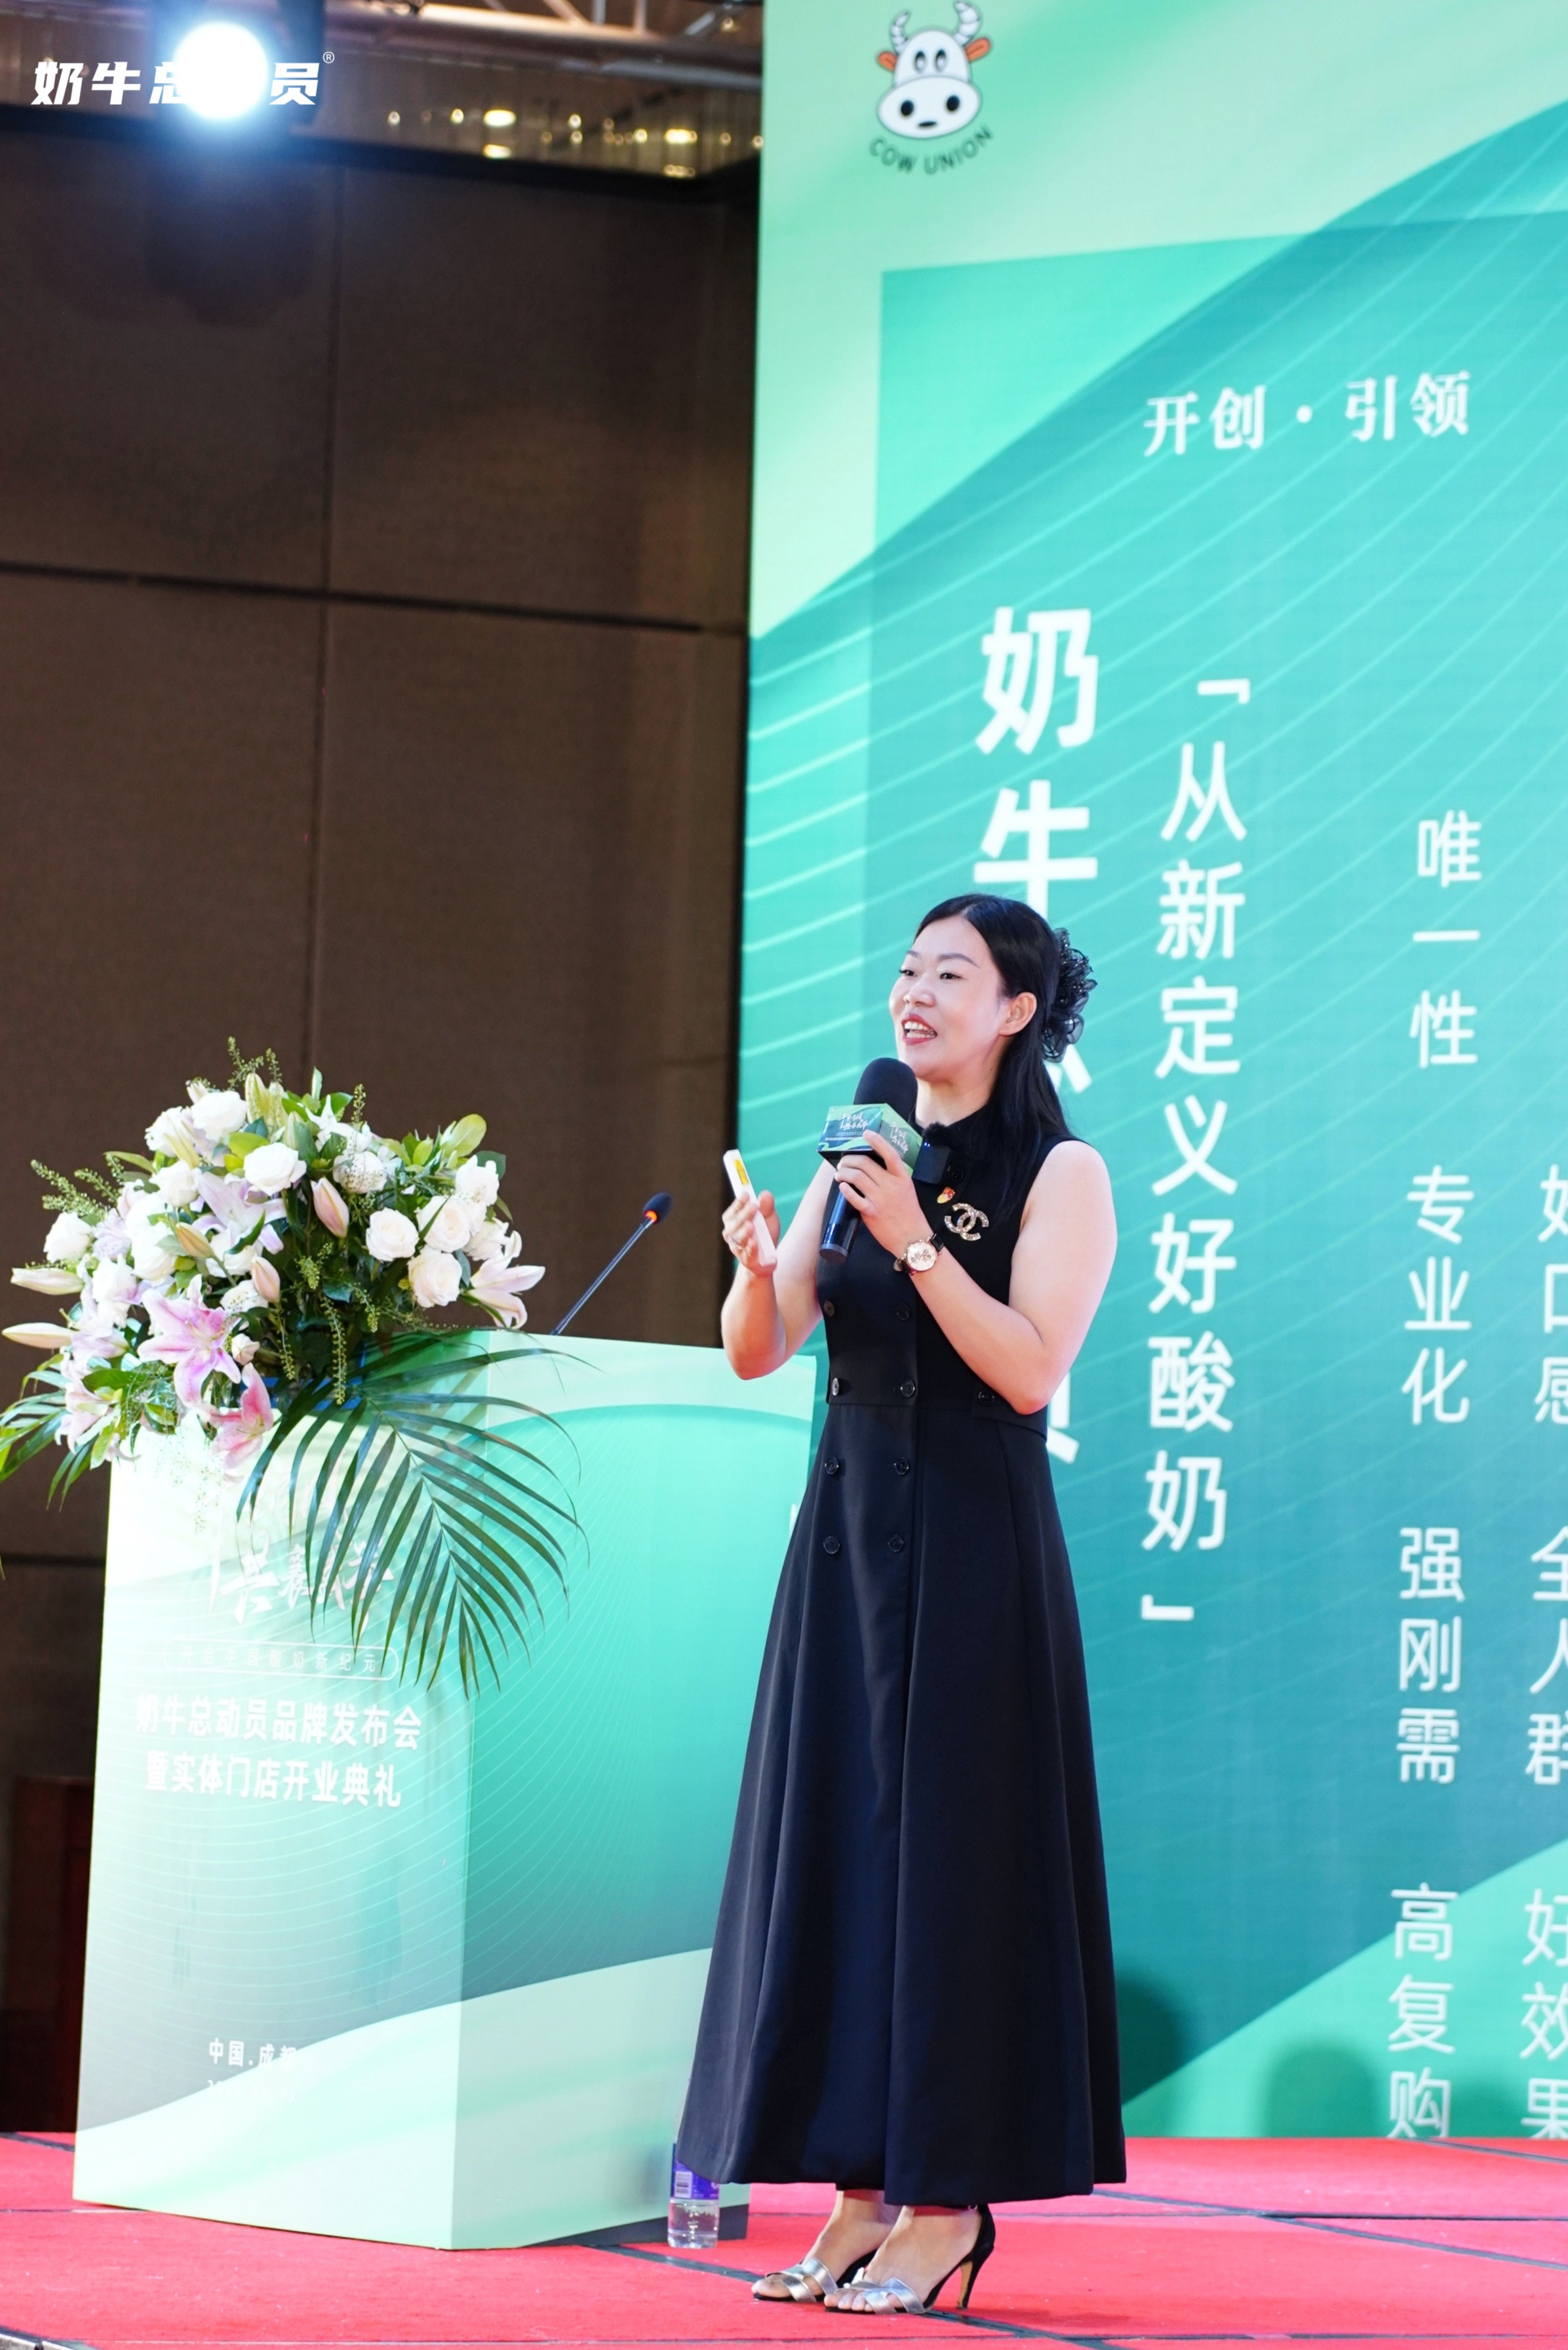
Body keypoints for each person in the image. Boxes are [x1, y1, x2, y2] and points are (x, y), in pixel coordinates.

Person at [675, 893, 1124, 2316]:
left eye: (950, 974)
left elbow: (1029, 1369)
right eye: (907, 968)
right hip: (845, 1546)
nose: (913, 993)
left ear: (1014, 1010)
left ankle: (945, 2204)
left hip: (975, 1545)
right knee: (841, 1858)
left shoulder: (1058, 1170)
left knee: (949, 1868)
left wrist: (920, 1241)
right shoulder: (861, 1138)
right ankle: (857, 2195)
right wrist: (758, 1263)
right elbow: (762, 1349)